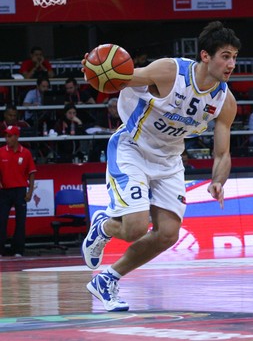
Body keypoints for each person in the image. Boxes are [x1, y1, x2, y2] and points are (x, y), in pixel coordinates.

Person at [81, 21, 239, 312]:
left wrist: (218, 180)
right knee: (135, 227)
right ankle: (104, 226)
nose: (231, 64)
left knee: (168, 234)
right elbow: (122, 76)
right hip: (133, 148)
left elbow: (222, 153)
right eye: (225, 56)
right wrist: (96, 68)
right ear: (206, 56)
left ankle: (108, 279)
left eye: (233, 57)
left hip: (169, 160)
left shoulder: (225, 101)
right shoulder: (170, 72)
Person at [0, 126, 36, 257]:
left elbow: (31, 173)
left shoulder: (25, 153)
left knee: (20, 221)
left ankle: (18, 250)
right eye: (6, 136)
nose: (7, 139)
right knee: (1, 220)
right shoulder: (1, 152)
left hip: (20, 190)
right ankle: (1, 249)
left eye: (10, 136)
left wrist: (30, 191)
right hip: (4, 191)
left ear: (16, 137)